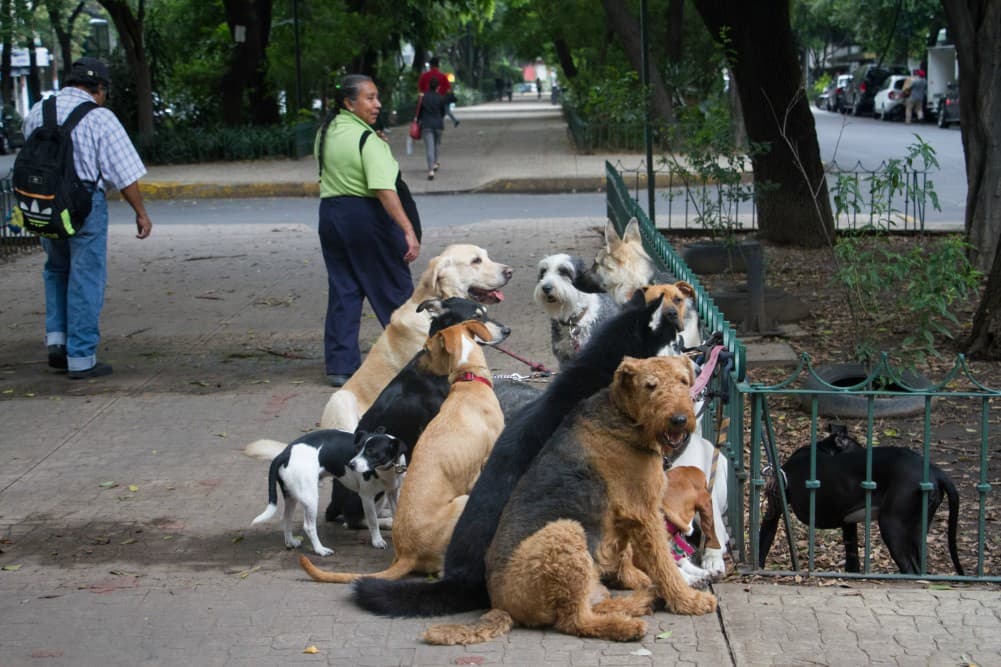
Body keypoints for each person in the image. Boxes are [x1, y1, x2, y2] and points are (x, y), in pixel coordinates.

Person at [22, 57, 152, 379]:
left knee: (56, 268)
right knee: (85, 276)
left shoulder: (39, 110)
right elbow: (124, 173)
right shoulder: (99, 117)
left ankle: (57, 342)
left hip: (45, 204)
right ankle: (81, 357)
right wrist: (141, 213)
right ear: (100, 90)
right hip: (84, 206)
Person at [315, 74, 420, 387]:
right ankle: (415, 356)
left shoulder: (327, 131)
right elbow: (384, 190)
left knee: (344, 290)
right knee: (394, 289)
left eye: (377, 97)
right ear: (349, 102)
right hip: (365, 218)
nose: (378, 104)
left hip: (331, 216)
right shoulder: (368, 141)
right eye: (370, 98)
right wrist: (408, 230)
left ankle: (340, 365)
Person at [418, 77, 447, 180]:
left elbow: (420, 112)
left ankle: (430, 171)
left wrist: (418, 121)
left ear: (429, 86)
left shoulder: (424, 97)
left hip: (426, 125)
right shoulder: (441, 98)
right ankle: (435, 163)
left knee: (429, 147)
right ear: (438, 87)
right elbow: (443, 112)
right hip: (438, 125)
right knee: (436, 145)